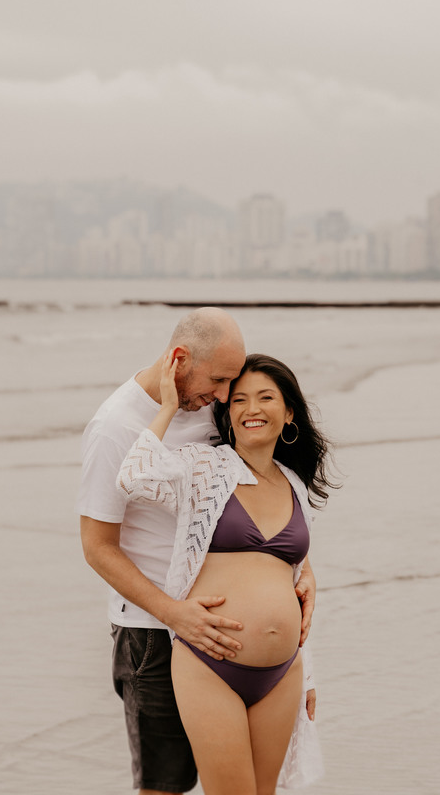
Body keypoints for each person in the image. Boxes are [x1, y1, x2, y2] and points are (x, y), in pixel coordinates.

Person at [78, 309, 319, 795]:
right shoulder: (115, 427)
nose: (228, 396)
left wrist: (300, 567)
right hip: (153, 629)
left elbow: (255, 495)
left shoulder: (211, 407)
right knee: (166, 785)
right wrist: (176, 615)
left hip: (242, 646)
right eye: (221, 380)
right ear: (179, 361)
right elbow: (97, 547)